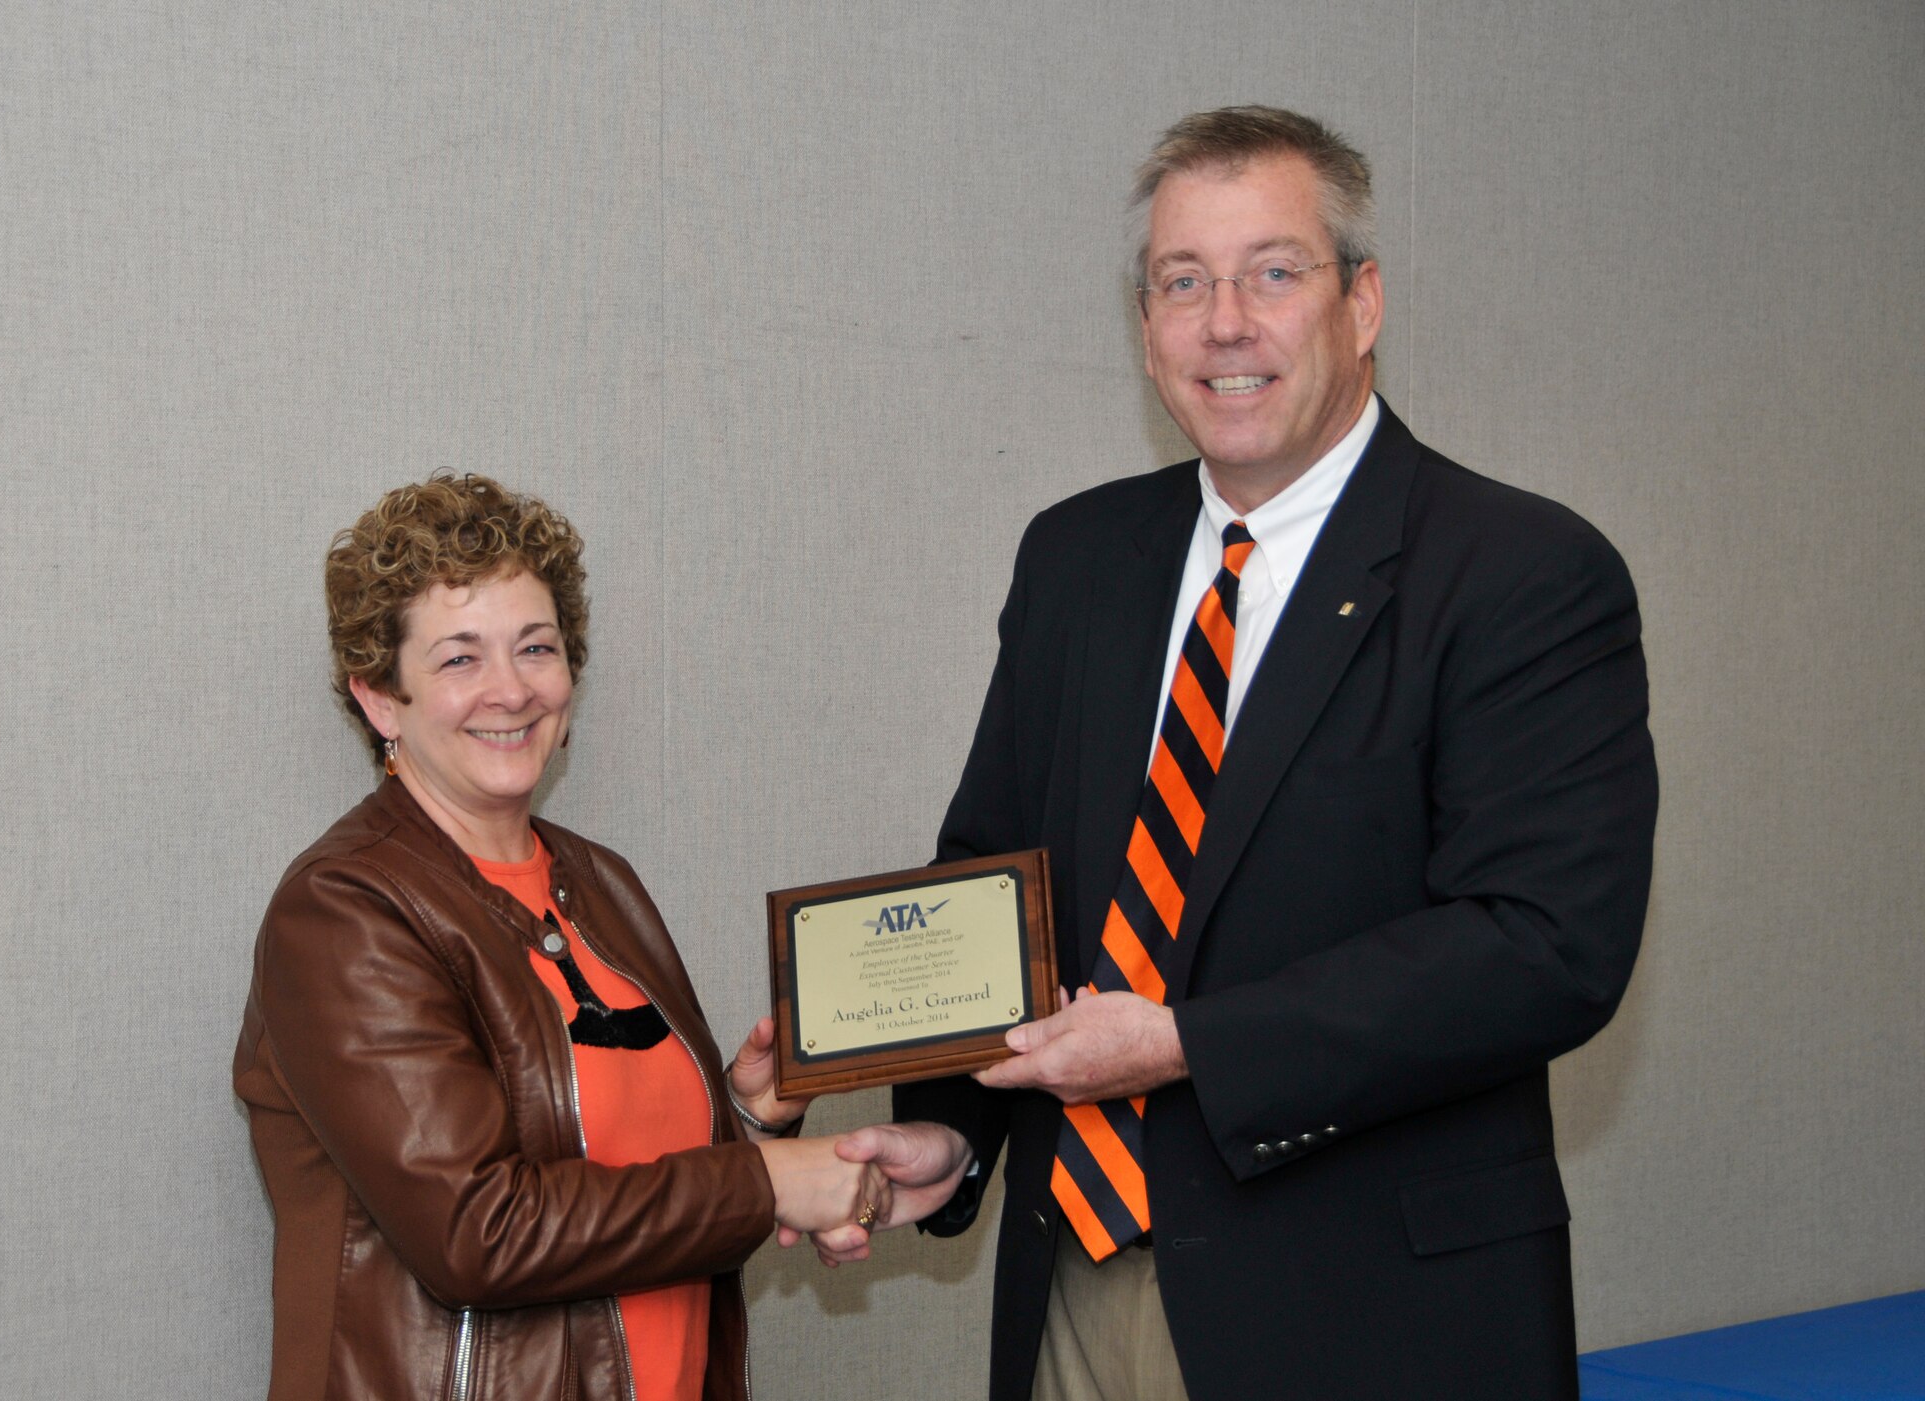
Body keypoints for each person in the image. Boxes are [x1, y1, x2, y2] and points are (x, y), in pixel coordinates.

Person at [808, 106, 1659, 1399]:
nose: (1225, 323)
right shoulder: (1078, 560)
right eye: (1182, 282)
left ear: (1361, 303)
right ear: (1145, 327)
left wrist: (1185, 1044)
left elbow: (1542, 945)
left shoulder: (1519, 574)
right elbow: (999, 878)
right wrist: (954, 1127)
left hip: (1368, 1310)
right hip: (1079, 1283)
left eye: (1273, 272)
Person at [234, 473, 882, 1401]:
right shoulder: (342, 910)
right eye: (459, 659)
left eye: (535, 647)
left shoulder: (600, 880)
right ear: (381, 698)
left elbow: (618, 1173)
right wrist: (766, 1180)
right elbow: (478, 1232)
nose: (510, 688)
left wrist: (748, 1119)